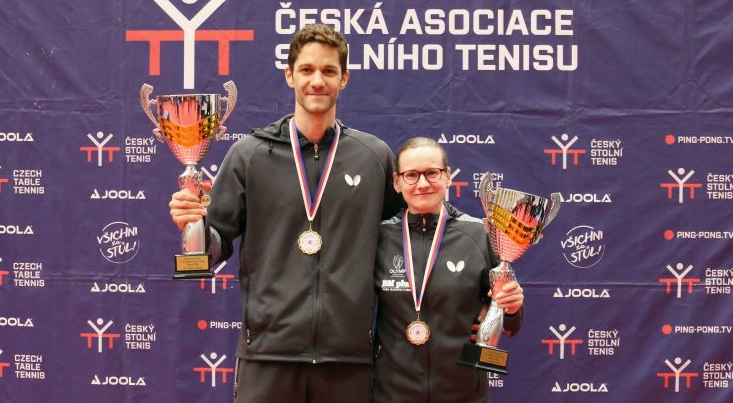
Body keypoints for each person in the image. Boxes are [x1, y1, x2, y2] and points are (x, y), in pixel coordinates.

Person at [168, 24, 402, 402]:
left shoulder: (374, 157)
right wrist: (193, 223)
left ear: (344, 78)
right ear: (290, 75)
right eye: (307, 70)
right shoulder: (250, 155)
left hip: (347, 361)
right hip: (267, 356)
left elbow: (407, 248)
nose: (317, 81)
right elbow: (213, 248)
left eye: (328, 71)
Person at [373, 137, 524, 402]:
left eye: (432, 173)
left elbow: (509, 325)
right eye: (411, 175)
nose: (422, 183)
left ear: (448, 177)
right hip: (392, 392)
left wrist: (510, 309)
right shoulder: (379, 237)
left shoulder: (479, 234)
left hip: (463, 392)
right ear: (397, 182)